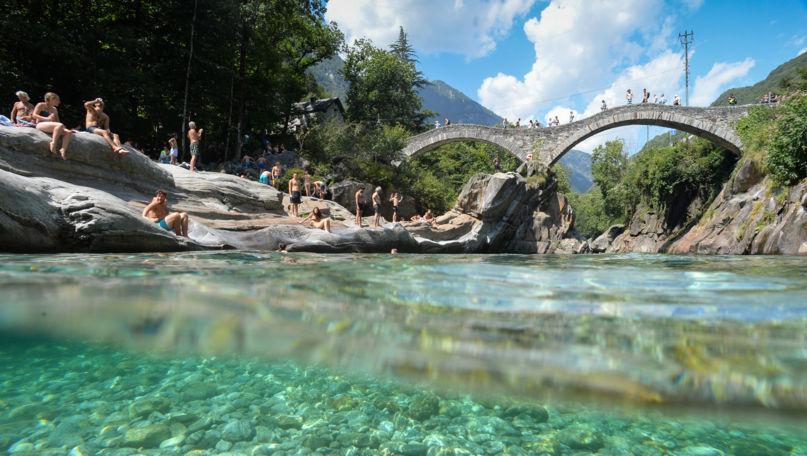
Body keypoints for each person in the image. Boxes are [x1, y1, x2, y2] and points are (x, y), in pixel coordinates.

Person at [31, 92, 72, 160]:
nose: (59, 102)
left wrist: (64, 128)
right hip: (40, 124)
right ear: (52, 99)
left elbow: (58, 121)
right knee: (60, 125)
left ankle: (63, 149)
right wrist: (47, 118)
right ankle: (53, 143)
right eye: (57, 100)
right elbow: (34, 115)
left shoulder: (54, 109)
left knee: (68, 132)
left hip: (51, 126)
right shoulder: (41, 105)